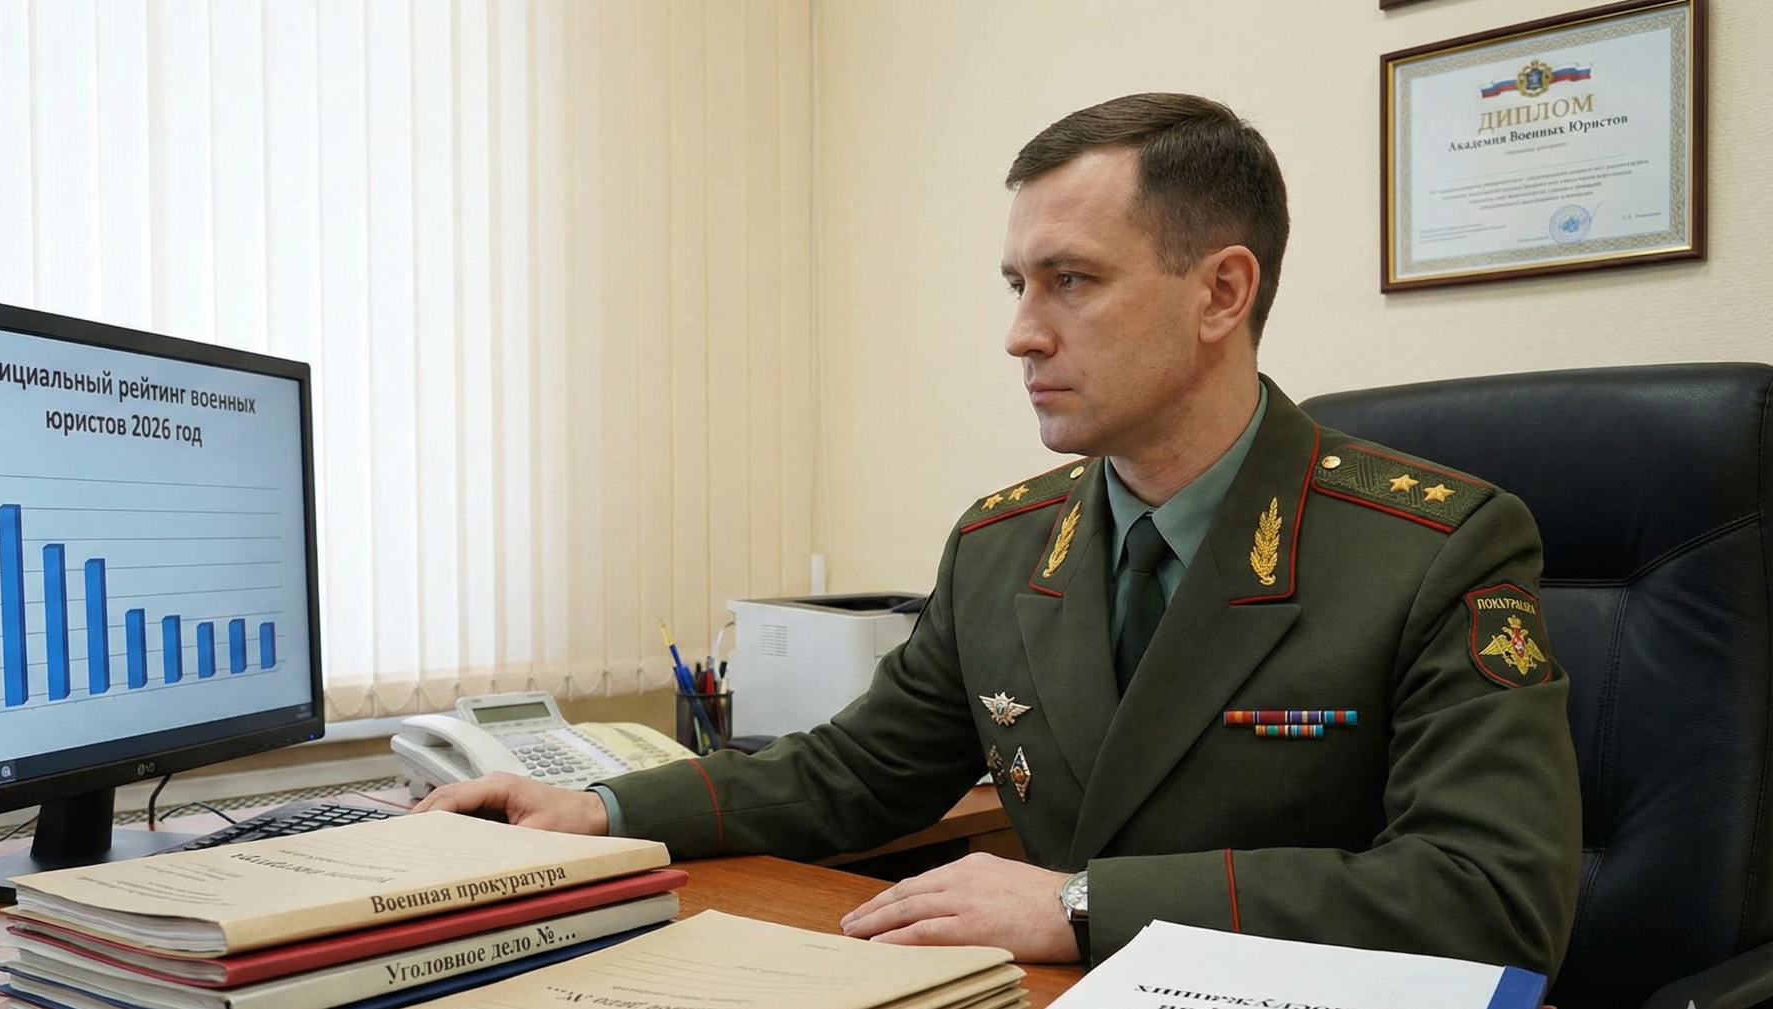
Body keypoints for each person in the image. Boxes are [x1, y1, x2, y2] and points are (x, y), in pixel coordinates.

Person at [415, 93, 1582, 975]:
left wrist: (1080, 904)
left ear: (1220, 293)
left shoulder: (1431, 547)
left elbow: (1488, 893)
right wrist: (604, 811)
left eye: (1068, 281)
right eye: (1015, 283)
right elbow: (858, 771)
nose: (1020, 333)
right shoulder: (1002, 544)